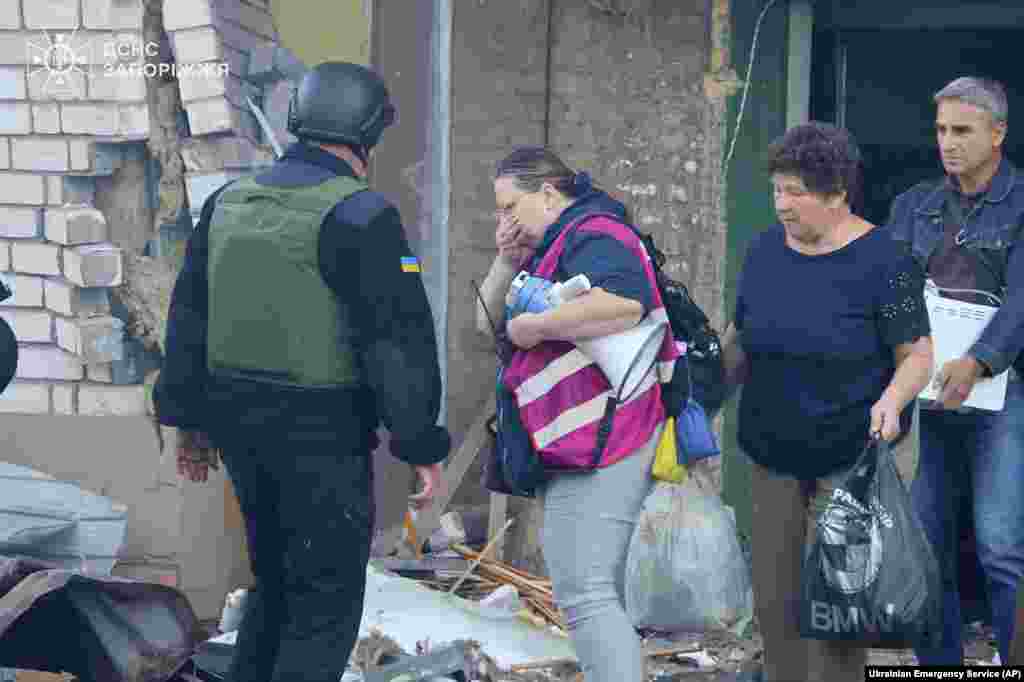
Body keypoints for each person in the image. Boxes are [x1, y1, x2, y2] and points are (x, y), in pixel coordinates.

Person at [153, 62, 450, 682]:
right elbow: (398, 341)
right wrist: (420, 442)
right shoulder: (363, 215)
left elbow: (188, 316)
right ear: (367, 135)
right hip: (321, 433)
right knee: (324, 602)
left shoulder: (228, 203)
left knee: (277, 584)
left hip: (238, 427)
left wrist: (187, 420)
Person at [721, 122, 933, 682]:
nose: (782, 205)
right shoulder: (765, 249)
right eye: (777, 190)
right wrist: (696, 392)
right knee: (775, 600)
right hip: (772, 452)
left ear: (838, 193)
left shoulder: (885, 260)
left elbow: (916, 355)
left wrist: (892, 400)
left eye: (796, 192)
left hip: (848, 458)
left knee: (838, 606)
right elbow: (741, 337)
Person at [475, 146, 682, 682]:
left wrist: (539, 326)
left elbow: (627, 304)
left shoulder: (596, 233)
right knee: (584, 591)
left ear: (548, 193)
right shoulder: (550, 245)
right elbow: (485, 325)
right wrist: (505, 260)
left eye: (509, 207)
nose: (505, 220)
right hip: (576, 439)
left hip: (610, 437)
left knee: (586, 592)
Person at [884, 76, 1024, 666]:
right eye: (941, 129)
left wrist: (981, 359)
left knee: (1000, 547)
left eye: (962, 130)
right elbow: (889, 290)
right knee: (925, 544)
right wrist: (897, 370)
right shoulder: (913, 205)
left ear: (999, 133)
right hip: (929, 390)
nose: (948, 142)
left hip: (1004, 391)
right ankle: (938, 666)